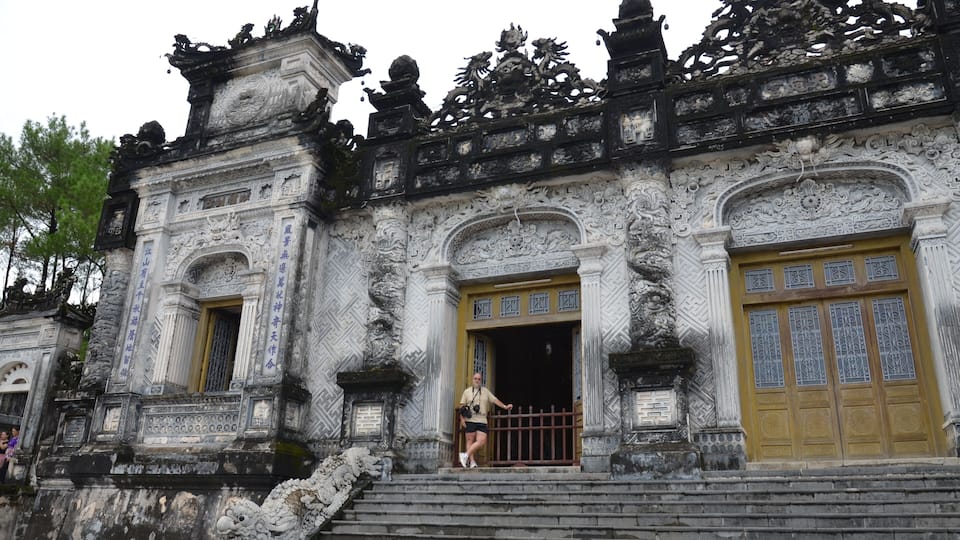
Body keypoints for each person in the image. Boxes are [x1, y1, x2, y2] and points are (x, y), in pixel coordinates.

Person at [458, 373, 512, 469]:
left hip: (482, 420)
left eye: (479, 379)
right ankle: (472, 462)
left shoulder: (485, 391)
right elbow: (461, 406)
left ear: (481, 380)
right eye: (475, 378)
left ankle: (465, 455)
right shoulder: (467, 392)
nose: (477, 380)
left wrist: (504, 406)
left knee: (482, 441)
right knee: (470, 440)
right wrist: (462, 419)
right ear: (472, 379)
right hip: (470, 419)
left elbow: (495, 400)